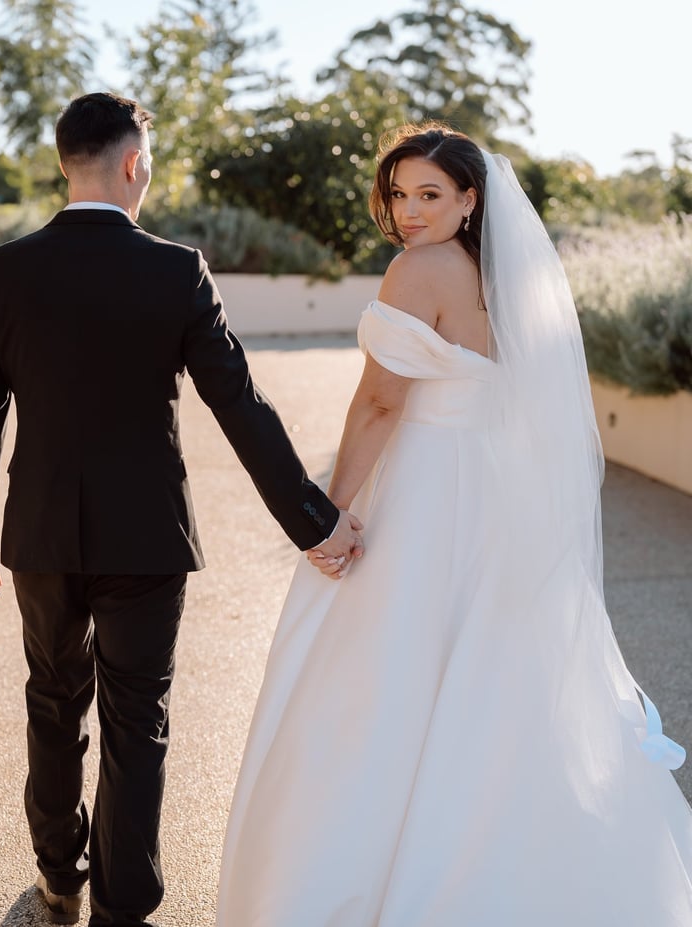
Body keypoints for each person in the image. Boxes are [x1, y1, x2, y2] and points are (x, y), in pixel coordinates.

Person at [216, 123, 692, 926]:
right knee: (500, 672)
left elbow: (378, 402)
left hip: (428, 486)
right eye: (399, 194)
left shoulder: (419, 269)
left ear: (471, 199)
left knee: (385, 671)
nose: (408, 210)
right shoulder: (497, 275)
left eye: (429, 194)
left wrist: (327, 514)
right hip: (494, 491)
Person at [0, 91, 363, 927]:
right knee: (140, 722)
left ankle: (59, 883)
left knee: (53, 701)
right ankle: (122, 909)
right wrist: (313, 520)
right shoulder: (177, 270)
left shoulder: (5, 271)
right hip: (148, 538)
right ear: (135, 162)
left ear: (66, 163)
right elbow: (238, 402)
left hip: (41, 537)